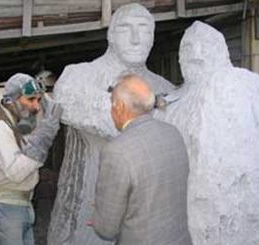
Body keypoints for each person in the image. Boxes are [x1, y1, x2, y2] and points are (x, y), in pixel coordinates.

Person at [155, 21, 259, 245]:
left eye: (205, 47)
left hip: (240, 214)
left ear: (221, 51)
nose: (196, 56)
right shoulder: (171, 102)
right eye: (188, 49)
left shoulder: (238, 84)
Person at [48, 3, 174, 245]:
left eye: (145, 29)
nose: (137, 38)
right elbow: (96, 114)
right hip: (85, 219)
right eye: (127, 28)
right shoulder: (78, 77)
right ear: (111, 35)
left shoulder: (165, 88)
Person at [90, 74, 192, 245]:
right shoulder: (173, 133)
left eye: (112, 104)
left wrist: (100, 215)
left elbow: (106, 229)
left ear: (120, 107)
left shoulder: (117, 151)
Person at [0, 73, 62, 245]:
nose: (36, 106)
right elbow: (17, 172)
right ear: (12, 99)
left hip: (17, 205)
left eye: (39, 100)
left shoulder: (13, 122)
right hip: (2, 207)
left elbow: (26, 148)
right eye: (31, 99)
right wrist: (45, 134)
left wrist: (39, 127)